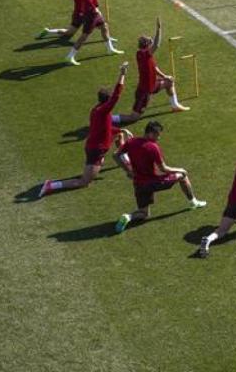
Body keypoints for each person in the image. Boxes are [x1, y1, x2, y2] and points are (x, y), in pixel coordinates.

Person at [39, 62, 132, 197]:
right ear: (107, 102)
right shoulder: (103, 111)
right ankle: (51, 185)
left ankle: (124, 159)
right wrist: (122, 74)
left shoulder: (97, 110)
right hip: (96, 150)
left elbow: (104, 128)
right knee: (84, 182)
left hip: (95, 145)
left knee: (118, 136)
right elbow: (116, 95)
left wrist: (121, 131)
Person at [114, 120, 206, 233]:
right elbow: (164, 169)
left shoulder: (132, 141)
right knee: (182, 176)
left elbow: (116, 155)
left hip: (138, 184)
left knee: (143, 213)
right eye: (157, 135)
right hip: (153, 182)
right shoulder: (152, 147)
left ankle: (128, 217)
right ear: (150, 133)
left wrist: (128, 171)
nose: (159, 138)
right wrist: (180, 169)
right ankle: (194, 202)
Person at [38, 0, 123, 64]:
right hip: (90, 12)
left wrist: (84, 1)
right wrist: (94, 8)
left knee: (104, 26)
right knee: (84, 36)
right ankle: (70, 56)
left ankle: (110, 49)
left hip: (89, 10)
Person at [122, 18, 189, 123]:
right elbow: (157, 44)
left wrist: (164, 76)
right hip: (144, 91)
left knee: (169, 82)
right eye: (149, 41)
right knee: (134, 117)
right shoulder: (144, 54)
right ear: (147, 45)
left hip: (152, 85)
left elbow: (154, 68)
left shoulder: (146, 54)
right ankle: (111, 118)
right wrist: (159, 29)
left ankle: (175, 106)